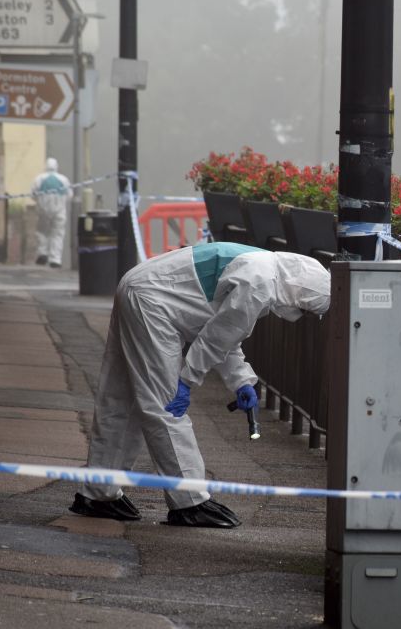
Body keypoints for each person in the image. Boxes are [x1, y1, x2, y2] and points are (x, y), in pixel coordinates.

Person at [69, 243, 331, 528]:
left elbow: (224, 331)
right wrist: (186, 380)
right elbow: (218, 337)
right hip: (152, 303)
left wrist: (241, 380)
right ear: (301, 294)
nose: (300, 316)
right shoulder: (260, 285)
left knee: (121, 400)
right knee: (167, 407)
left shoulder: (265, 269)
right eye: (305, 311)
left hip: (140, 287)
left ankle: (99, 492)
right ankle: (189, 501)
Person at [31, 158, 72, 268]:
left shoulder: (39, 179)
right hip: (59, 211)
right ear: (56, 166)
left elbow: (33, 195)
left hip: (43, 210)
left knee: (42, 232)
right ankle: (55, 259)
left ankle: (42, 253)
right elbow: (69, 195)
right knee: (57, 234)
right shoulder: (63, 179)